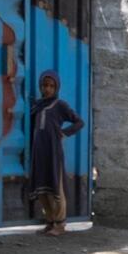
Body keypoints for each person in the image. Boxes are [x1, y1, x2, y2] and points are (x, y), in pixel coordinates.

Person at [28, 71, 84, 237]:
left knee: (56, 187)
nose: (48, 89)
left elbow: (79, 122)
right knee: (42, 187)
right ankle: (50, 221)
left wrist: (64, 133)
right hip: (39, 151)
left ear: (57, 87)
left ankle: (60, 223)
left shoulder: (60, 105)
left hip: (53, 151)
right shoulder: (37, 106)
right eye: (45, 85)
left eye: (52, 86)